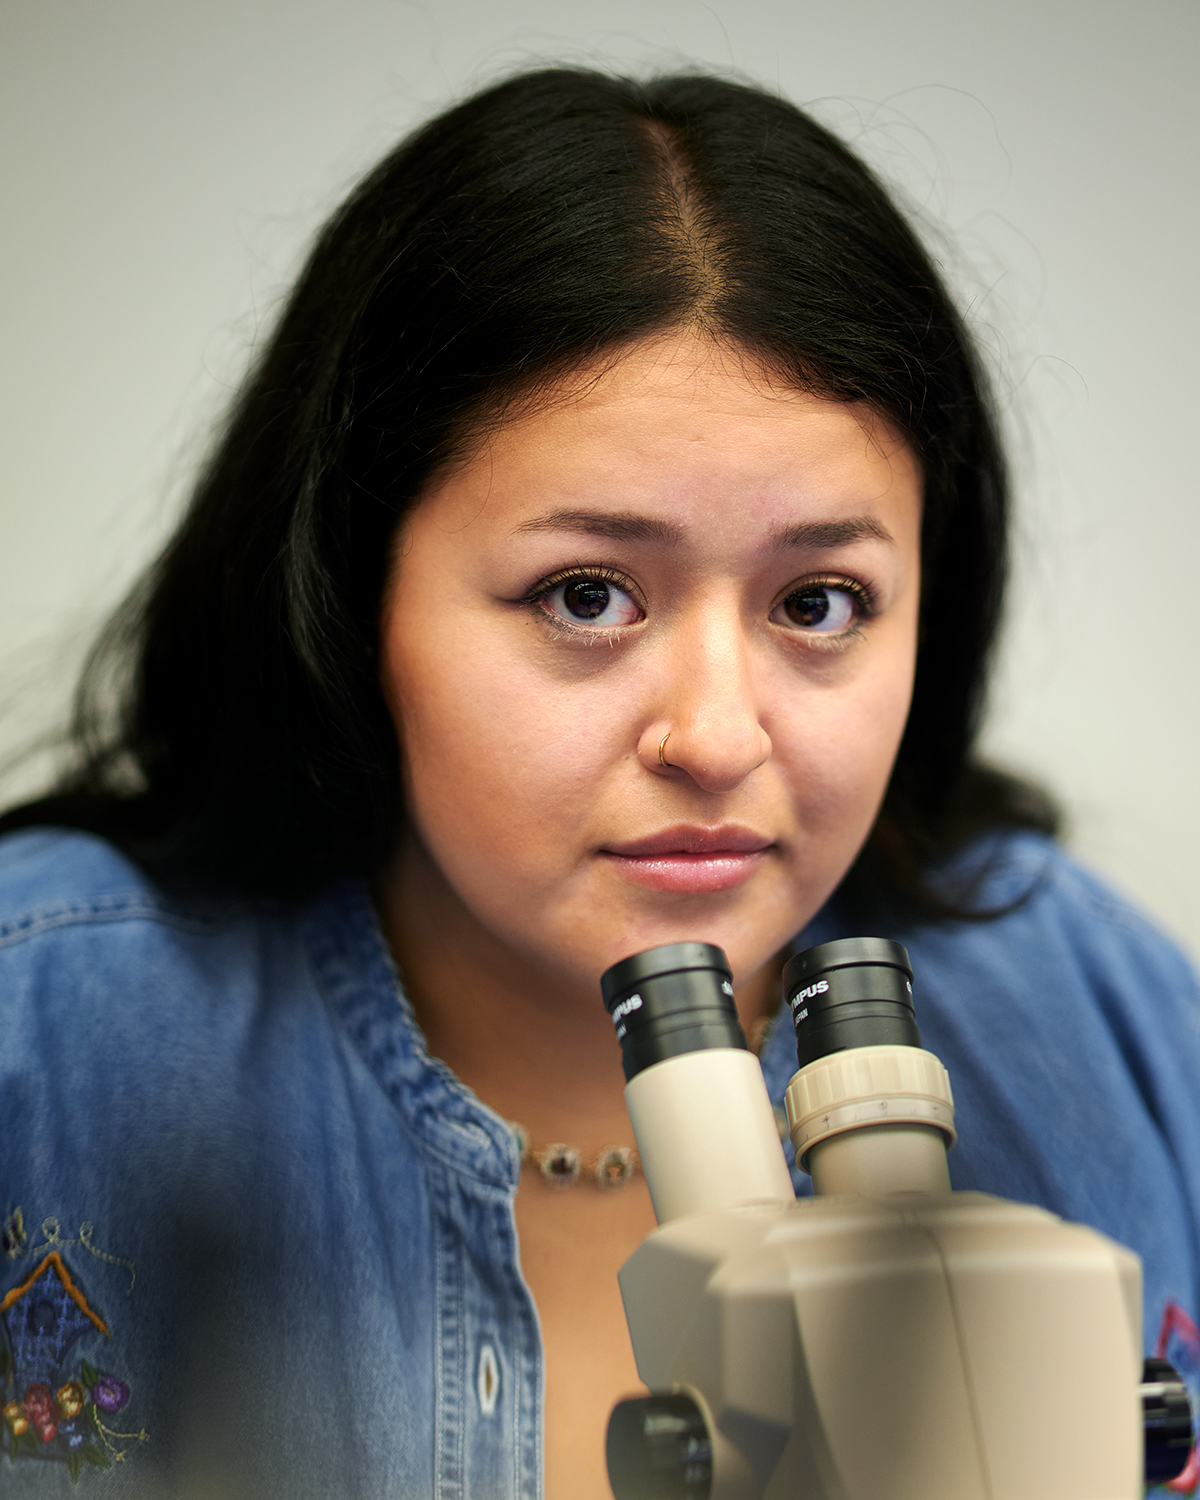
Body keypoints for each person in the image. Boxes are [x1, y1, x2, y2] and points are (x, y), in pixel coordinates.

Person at [1, 66, 1197, 1500]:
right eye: (585, 594)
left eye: (819, 603)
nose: (713, 735)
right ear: (350, 591)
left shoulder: (1104, 1021)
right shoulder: (52, 1039)